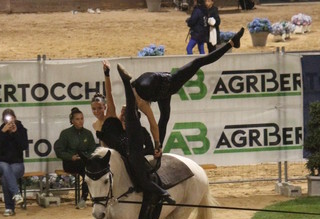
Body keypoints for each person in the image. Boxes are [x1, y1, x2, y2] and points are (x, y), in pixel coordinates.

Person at [130, 26, 244, 151]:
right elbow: (153, 125)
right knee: (197, 62)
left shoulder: (135, 91)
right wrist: (156, 144)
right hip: (168, 84)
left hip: (163, 88)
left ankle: (160, 148)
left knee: (165, 117)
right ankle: (231, 44)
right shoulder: (140, 101)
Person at [96, 64, 176, 205]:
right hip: (121, 160)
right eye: (122, 114)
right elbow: (109, 95)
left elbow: (109, 94)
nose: (122, 115)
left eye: (126, 115)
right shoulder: (109, 125)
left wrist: (157, 147)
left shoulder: (136, 129)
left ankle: (163, 193)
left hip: (135, 157)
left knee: (142, 179)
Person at [54, 107, 97, 209]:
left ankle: (86, 198)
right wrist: (70, 157)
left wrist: (86, 156)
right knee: (86, 169)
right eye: (77, 119)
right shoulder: (65, 133)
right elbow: (59, 151)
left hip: (84, 162)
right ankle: (85, 198)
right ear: (72, 121)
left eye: (81, 118)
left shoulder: (88, 133)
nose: (80, 121)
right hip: (70, 163)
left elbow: (93, 149)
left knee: (89, 169)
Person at [0, 109, 28, 216]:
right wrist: (3, 132)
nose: (10, 122)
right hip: (1, 163)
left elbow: (24, 146)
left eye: (12, 118)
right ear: (3, 120)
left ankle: (9, 208)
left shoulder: (21, 130)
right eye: (7, 119)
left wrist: (16, 133)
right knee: (5, 166)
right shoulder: (0, 131)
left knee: (5, 178)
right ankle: (16, 193)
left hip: (17, 164)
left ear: (15, 118)